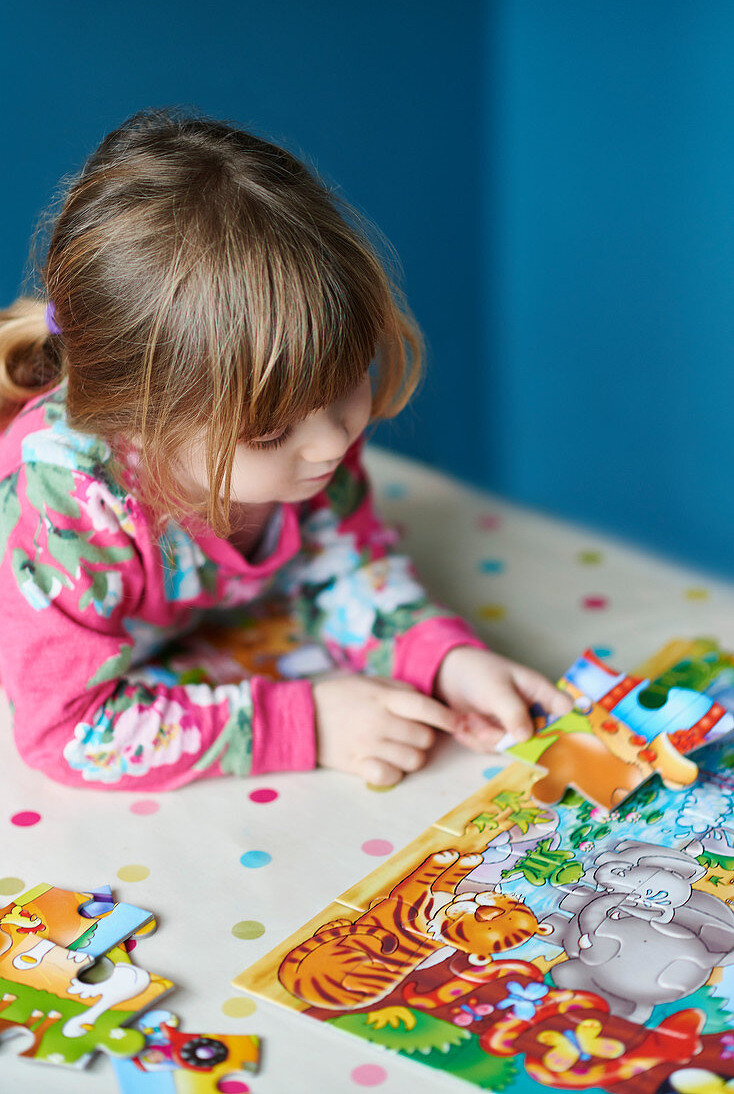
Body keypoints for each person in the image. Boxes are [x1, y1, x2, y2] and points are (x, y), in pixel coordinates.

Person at [0, 107, 570, 792]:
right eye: (271, 432)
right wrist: (308, 723)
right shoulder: (63, 499)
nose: (334, 441)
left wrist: (443, 659)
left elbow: (343, 569)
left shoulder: (310, 431)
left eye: (349, 380)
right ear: (142, 425)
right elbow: (67, 732)